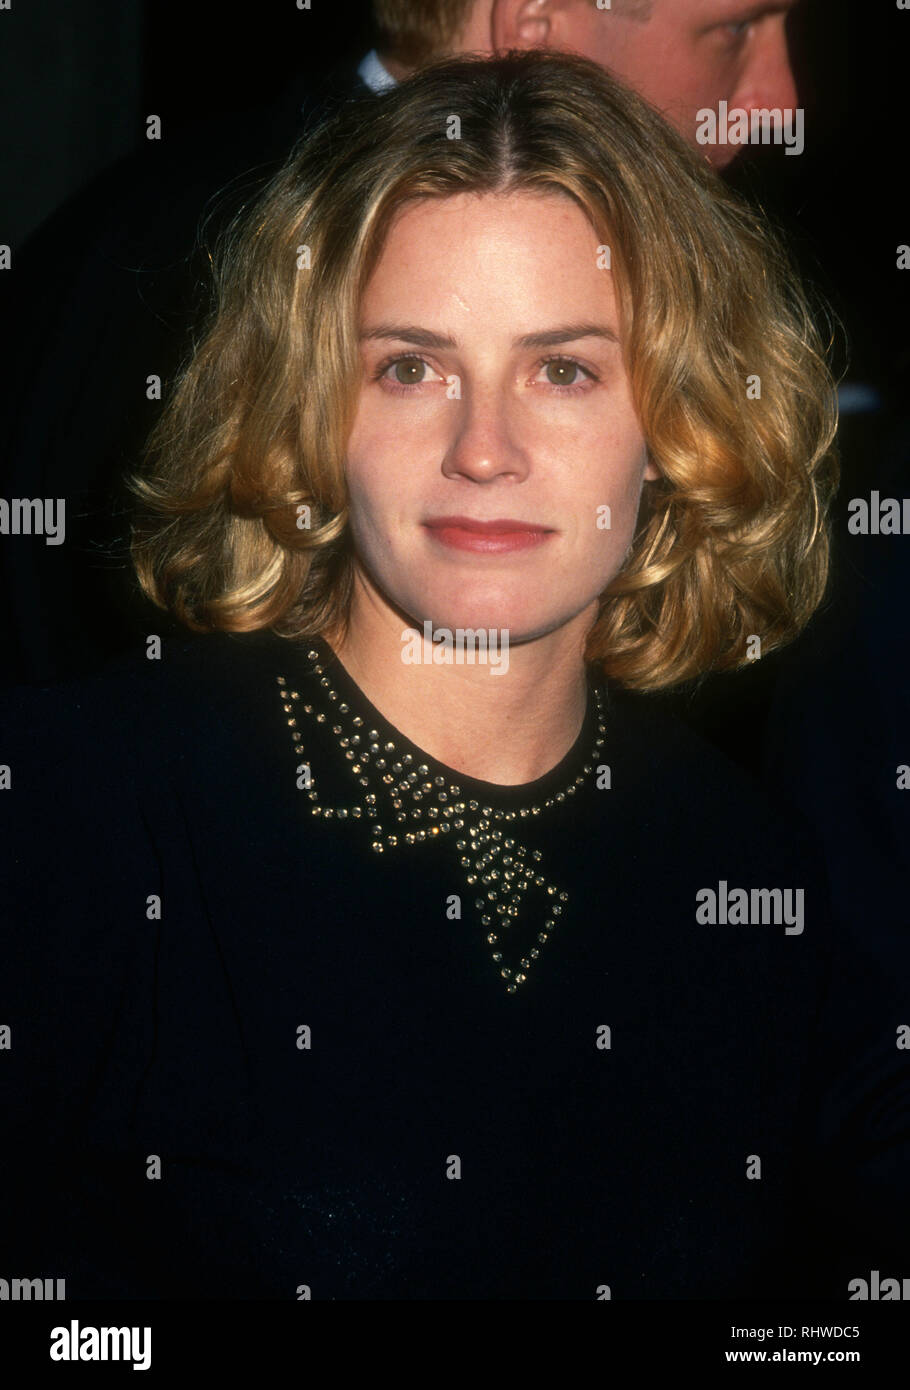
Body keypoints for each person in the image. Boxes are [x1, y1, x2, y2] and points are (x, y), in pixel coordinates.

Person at [3, 52, 907, 1300]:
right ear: (310, 407)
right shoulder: (74, 811)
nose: (484, 450)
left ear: (678, 423)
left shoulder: (744, 871)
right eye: (410, 367)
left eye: (565, 369)